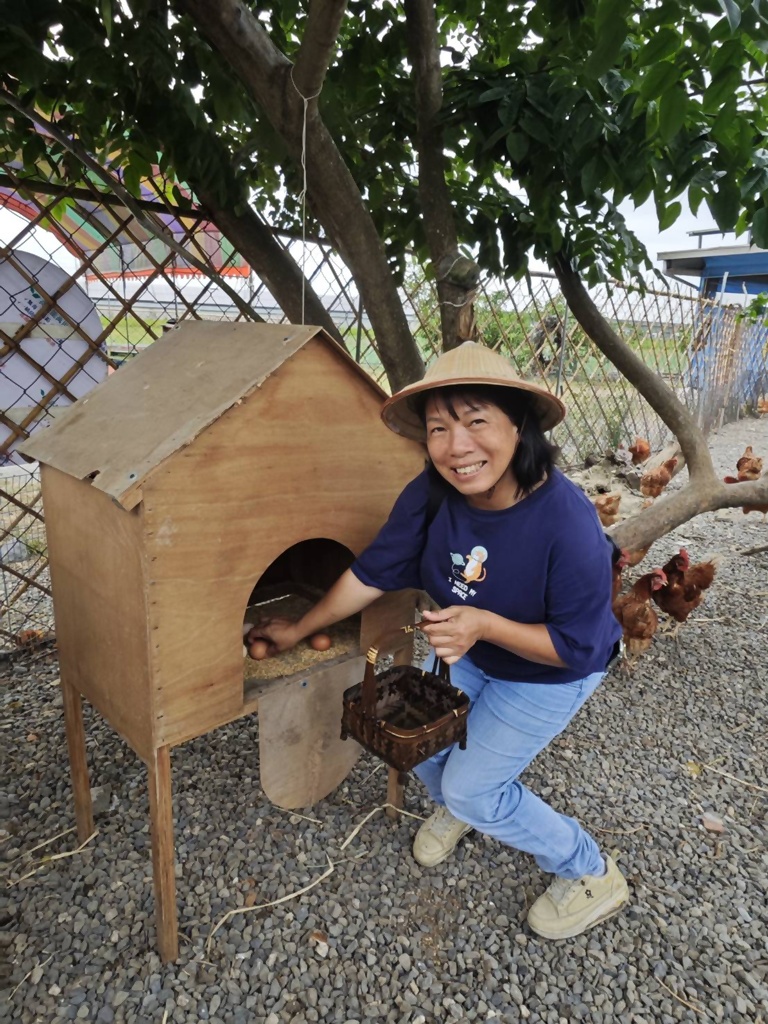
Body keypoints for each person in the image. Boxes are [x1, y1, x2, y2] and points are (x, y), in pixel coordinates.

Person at [253, 340, 628, 940]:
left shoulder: (566, 522)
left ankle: (588, 869)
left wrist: (483, 625)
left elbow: (577, 648)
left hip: (549, 672)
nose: (456, 447)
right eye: (438, 428)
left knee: (473, 789)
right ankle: (462, 805)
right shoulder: (431, 496)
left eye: (476, 421)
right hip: (470, 652)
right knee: (420, 746)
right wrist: (298, 628)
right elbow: (371, 572)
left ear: (519, 427)